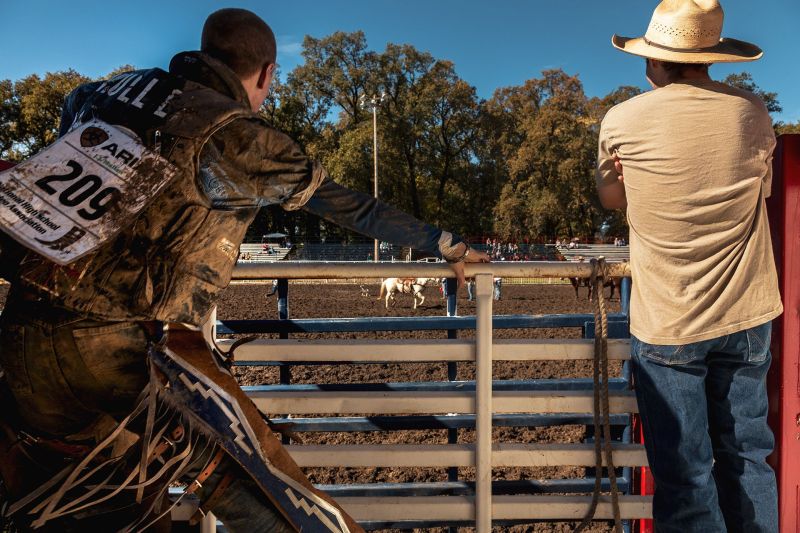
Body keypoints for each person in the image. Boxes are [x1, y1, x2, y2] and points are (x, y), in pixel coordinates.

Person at [0, 8, 489, 533]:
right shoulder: (240, 136)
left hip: (22, 333)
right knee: (257, 483)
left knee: (93, 495)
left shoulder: (104, 93)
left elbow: (70, 133)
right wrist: (447, 243)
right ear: (266, 74)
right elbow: (351, 207)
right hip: (115, 353)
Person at [596, 1, 781, 531]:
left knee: (685, 474)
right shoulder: (752, 112)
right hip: (746, 313)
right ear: (711, 56)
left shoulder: (621, 120)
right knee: (748, 458)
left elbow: (613, 199)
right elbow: (763, 190)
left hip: (669, 319)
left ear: (654, 60)